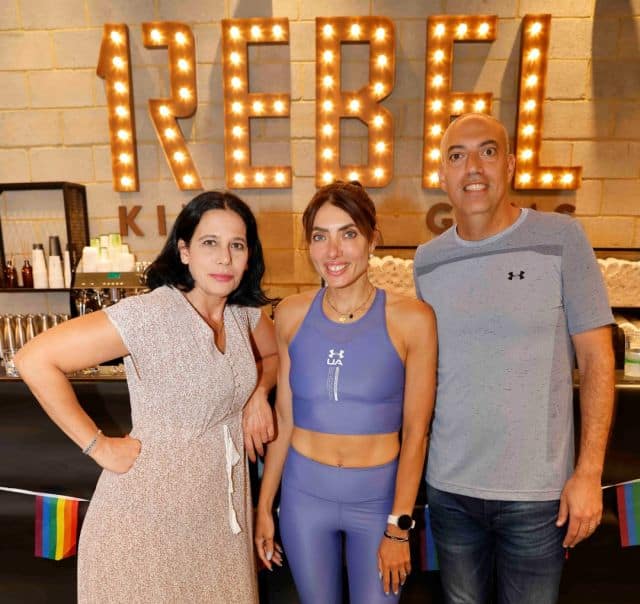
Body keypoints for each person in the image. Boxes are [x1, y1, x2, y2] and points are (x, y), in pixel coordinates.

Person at [15, 191, 278, 603]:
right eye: (210, 243)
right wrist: (97, 445)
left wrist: (257, 392)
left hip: (218, 520)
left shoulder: (242, 314)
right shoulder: (149, 315)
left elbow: (276, 355)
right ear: (184, 251)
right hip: (146, 522)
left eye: (237, 245)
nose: (224, 258)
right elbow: (34, 358)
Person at [414, 113, 615, 604]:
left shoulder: (562, 237)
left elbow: (597, 360)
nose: (473, 167)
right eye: (457, 156)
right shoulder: (427, 260)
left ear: (509, 164)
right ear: (442, 174)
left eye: (487, 151)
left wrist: (589, 473)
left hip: (537, 498)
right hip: (450, 491)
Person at [254, 181, 437, 603]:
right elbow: (285, 417)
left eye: (348, 234)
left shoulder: (412, 319)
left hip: (377, 501)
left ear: (372, 239)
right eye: (320, 237)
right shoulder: (291, 314)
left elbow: (417, 433)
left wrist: (399, 527)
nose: (333, 251)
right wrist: (264, 507)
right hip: (303, 497)